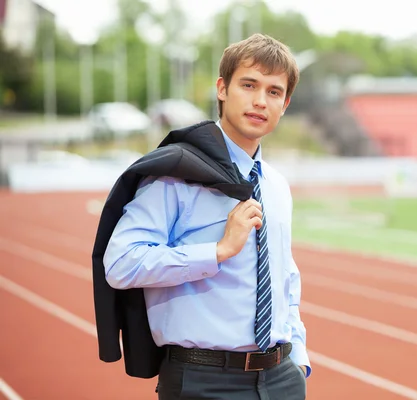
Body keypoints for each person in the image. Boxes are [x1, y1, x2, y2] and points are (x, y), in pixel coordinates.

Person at [102, 33, 310, 399]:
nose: (260, 101)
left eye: (274, 92)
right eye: (249, 85)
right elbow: (120, 263)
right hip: (204, 381)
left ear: (285, 103)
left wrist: (298, 357)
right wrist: (217, 251)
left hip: (281, 380)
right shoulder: (176, 175)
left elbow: (285, 277)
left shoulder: (276, 185)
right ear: (222, 89)